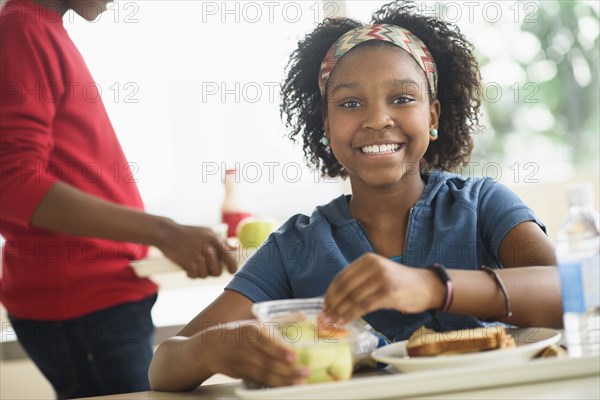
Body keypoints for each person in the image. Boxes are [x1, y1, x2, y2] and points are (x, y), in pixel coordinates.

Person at [148, 0, 562, 391]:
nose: (378, 119)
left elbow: (576, 293)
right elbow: (163, 366)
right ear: (325, 125)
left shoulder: (483, 206)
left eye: (402, 99)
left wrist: (435, 287)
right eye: (350, 103)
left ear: (432, 115)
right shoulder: (295, 247)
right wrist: (216, 348)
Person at [0, 0, 237, 398]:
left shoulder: (38, 28)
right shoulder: (22, 30)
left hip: (100, 298)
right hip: (81, 306)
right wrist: (164, 232)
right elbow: (12, 183)